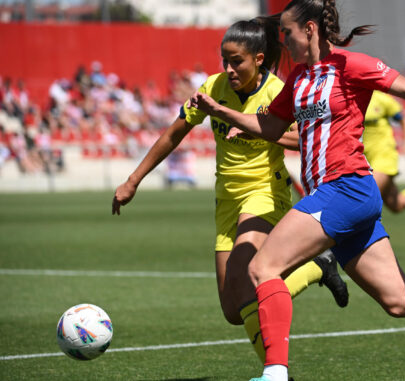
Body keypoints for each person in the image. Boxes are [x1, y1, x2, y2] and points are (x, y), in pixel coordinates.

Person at [188, 2, 405, 380]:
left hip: (347, 188)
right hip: (337, 198)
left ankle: (275, 373)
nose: (283, 42)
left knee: (263, 266)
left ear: (309, 30)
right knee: (400, 301)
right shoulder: (300, 78)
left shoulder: (351, 65)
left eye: (287, 33)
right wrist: (222, 112)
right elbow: (272, 126)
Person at [111, 17, 349, 365]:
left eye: (237, 60)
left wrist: (259, 131)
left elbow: (303, 137)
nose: (229, 68)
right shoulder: (213, 86)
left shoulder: (277, 92)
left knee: (250, 278)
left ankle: (275, 372)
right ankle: (318, 266)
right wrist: (134, 180)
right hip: (226, 201)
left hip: (265, 194)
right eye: (225, 60)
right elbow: (174, 133)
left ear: (259, 59)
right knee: (235, 309)